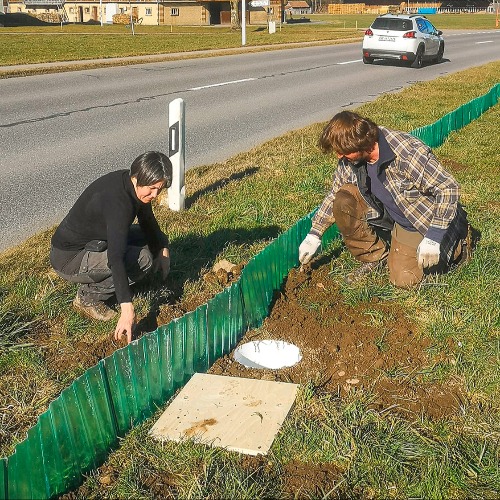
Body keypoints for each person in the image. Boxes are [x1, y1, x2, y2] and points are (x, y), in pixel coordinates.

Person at [298, 111, 470, 288]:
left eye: (342, 152)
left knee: (404, 280)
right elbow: (335, 193)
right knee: (344, 200)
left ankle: (459, 242)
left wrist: (434, 237)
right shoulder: (351, 160)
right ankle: (375, 257)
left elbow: (447, 187)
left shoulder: (406, 152)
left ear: (359, 145)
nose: (339, 157)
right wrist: (315, 233)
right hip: (389, 213)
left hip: (421, 221)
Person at [50, 151, 172, 343]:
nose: (155, 195)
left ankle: (121, 280)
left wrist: (162, 248)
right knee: (143, 259)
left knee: (148, 238)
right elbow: (115, 258)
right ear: (138, 177)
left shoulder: (133, 185)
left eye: (160, 189)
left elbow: (147, 220)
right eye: (152, 188)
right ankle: (88, 297)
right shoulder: (119, 204)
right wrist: (127, 308)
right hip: (69, 258)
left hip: (95, 240)